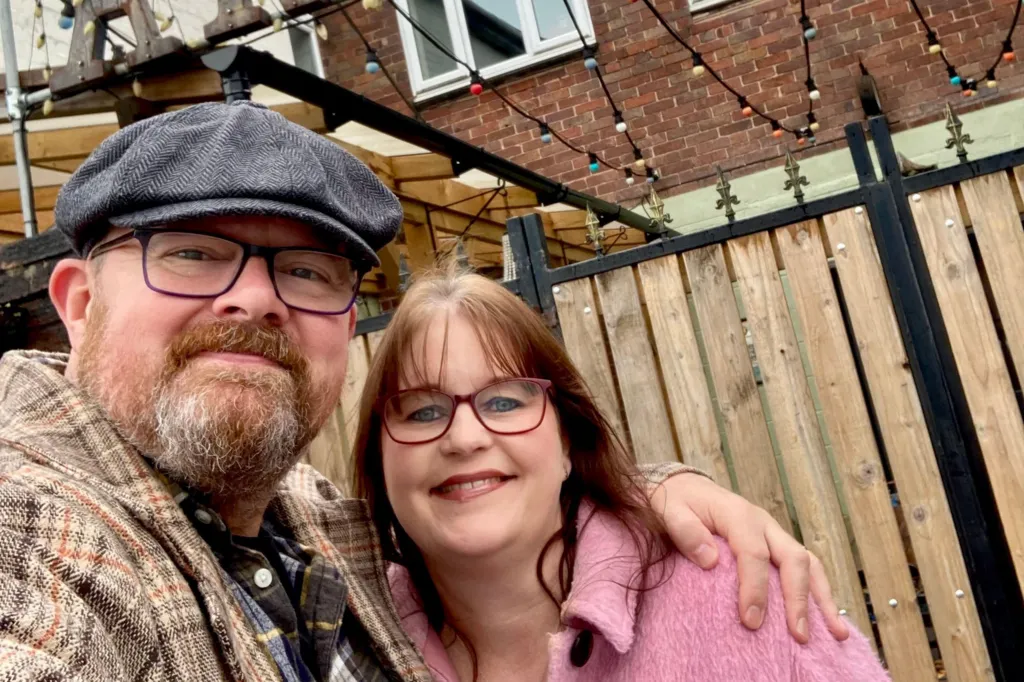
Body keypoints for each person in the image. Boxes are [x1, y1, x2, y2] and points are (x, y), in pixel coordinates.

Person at [0, 101, 844, 682]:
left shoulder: (320, 532)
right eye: (191, 252)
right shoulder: (32, 532)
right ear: (79, 302)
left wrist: (655, 494)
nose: (255, 298)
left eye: (306, 270)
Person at [353, 266, 890, 682]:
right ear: (378, 457)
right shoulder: (341, 642)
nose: (465, 437)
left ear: (567, 441)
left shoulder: (740, 596)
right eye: (422, 411)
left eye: (506, 401)